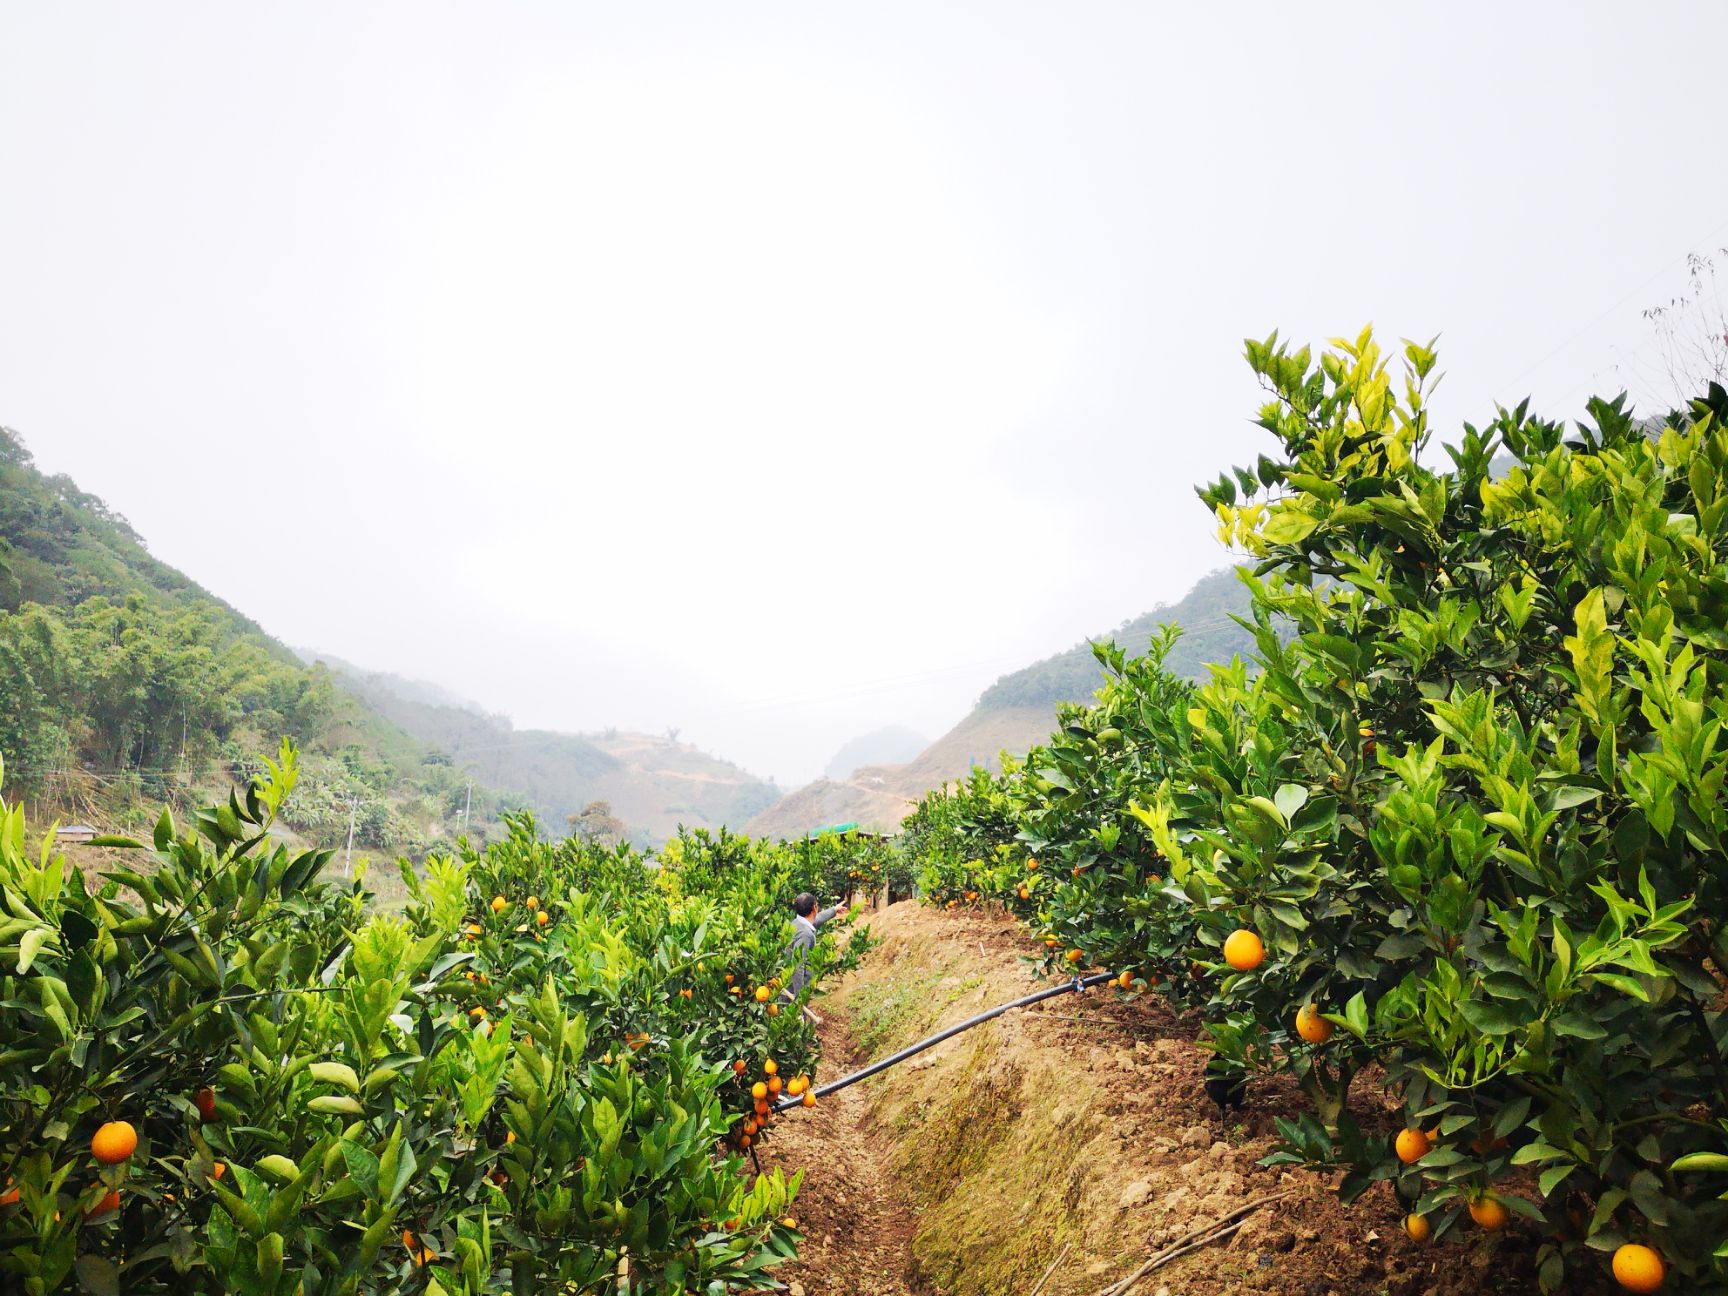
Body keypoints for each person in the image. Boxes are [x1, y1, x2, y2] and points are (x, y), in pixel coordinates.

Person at [785, 892, 841, 1022]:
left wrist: (834, 910)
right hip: (793, 990)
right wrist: (799, 1000)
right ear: (814, 908)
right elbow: (798, 966)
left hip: (787, 986)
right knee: (794, 1025)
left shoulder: (796, 923)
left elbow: (815, 921)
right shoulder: (805, 934)